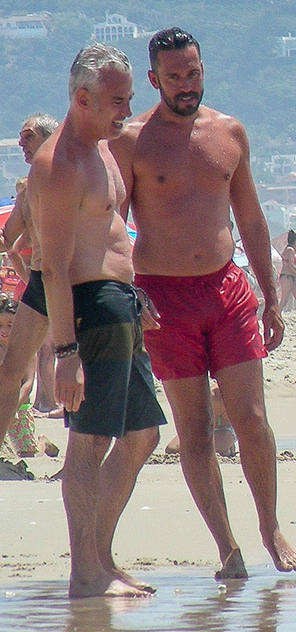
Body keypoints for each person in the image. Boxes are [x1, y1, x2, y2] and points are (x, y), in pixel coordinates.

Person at [110, 28, 296, 579]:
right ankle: (227, 547)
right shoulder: (132, 140)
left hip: (228, 289)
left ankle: (269, 527)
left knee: (251, 418)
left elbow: (253, 220)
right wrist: (130, 289)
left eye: (193, 73)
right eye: (174, 77)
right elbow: (113, 223)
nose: (186, 85)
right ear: (154, 80)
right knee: (193, 430)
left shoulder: (229, 133)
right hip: (163, 299)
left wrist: (269, 296)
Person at [28, 44, 166, 597]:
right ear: (82, 99)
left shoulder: (103, 151)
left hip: (120, 304)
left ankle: (100, 557)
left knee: (142, 436)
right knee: (90, 440)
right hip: (88, 310)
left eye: (130, 99)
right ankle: (85, 570)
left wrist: (136, 294)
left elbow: (110, 238)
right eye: (116, 101)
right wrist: (65, 354)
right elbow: (55, 269)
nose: (126, 112)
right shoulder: (58, 164)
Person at [0, 113, 60, 450]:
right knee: (13, 367)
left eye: (28, 137)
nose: (21, 144)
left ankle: (82, 458)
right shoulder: (27, 186)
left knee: (77, 367)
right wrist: (25, 276)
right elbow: (10, 241)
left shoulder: (70, 175)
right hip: (40, 281)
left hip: (72, 281)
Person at [0, 295, 58, 458]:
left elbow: (28, 383)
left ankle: (42, 443)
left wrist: (12, 408)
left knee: (27, 453)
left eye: (10, 325)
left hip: (20, 408)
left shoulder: (26, 349)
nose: (4, 331)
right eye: (0, 325)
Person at [165, 382, 237, 457]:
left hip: (229, 428)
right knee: (172, 450)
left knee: (212, 450)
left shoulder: (241, 395)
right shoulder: (209, 395)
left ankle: (227, 446)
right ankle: (226, 447)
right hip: (202, 426)